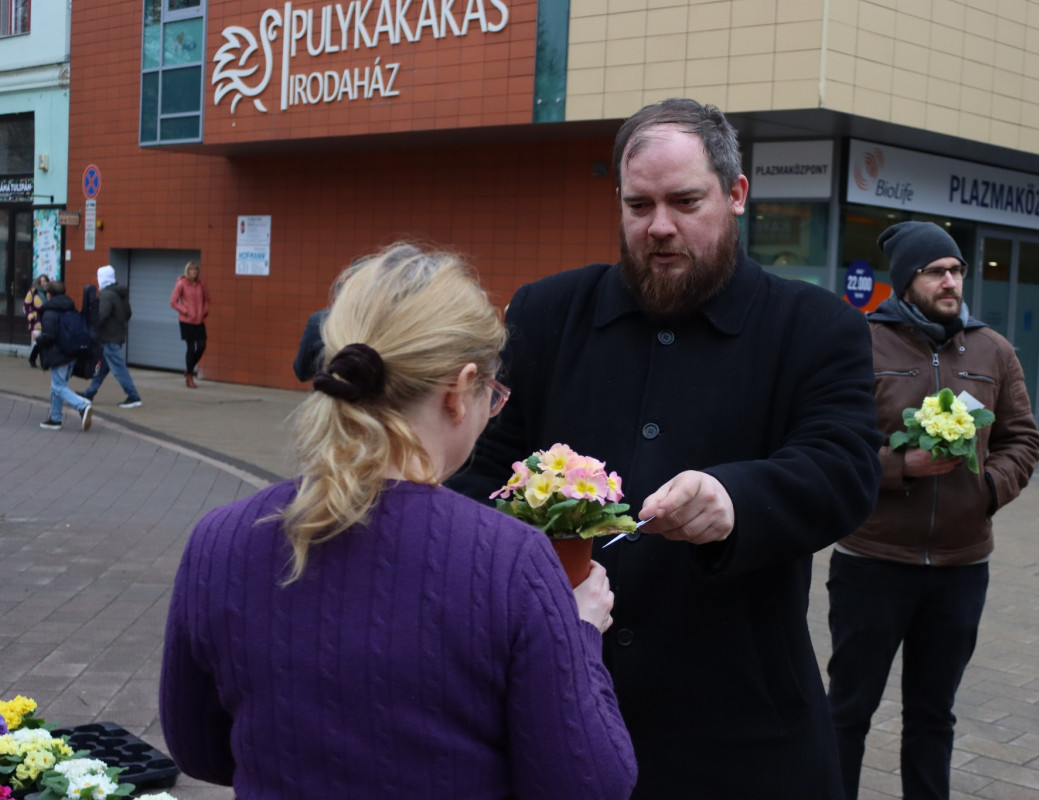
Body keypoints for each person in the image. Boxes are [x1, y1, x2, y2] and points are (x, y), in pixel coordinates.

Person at [447, 98, 883, 799]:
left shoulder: (814, 326)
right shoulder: (547, 313)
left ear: (736, 194)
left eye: (685, 202)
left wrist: (734, 499)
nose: (659, 227)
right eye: (638, 204)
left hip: (743, 734)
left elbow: (844, 468)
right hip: (557, 706)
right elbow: (474, 472)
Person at [159, 243, 636, 800]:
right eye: (493, 394)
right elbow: (588, 784)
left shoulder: (218, 542)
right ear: (459, 392)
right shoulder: (510, 562)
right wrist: (577, 633)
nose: (492, 409)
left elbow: (200, 751)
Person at [826, 221, 1039, 800]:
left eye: (957, 271)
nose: (951, 282)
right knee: (847, 711)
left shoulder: (993, 348)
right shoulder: (862, 341)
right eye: (936, 271)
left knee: (932, 715)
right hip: (873, 560)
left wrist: (987, 491)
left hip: (961, 566)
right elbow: (832, 443)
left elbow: (1022, 438)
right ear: (906, 280)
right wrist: (900, 467)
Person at [36, 280, 94, 432]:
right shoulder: (71, 307)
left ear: (49, 294)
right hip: (72, 353)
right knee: (57, 387)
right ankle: (55, 419)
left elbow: (49, 336)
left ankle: (82, 406)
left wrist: (38, 338)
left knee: (58, 386)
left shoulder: (50, 311)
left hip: (59, 354)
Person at [81, 266, 143, 408]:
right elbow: (128, 315)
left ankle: (133, 396)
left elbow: (101, 315)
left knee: (119, 368)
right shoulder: (120, 294)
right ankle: (90, 392)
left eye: (98, 277)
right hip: (116, 335)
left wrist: (91, 326)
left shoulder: (106, 295)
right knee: (103, 367)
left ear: (102, 278)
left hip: (108, 337)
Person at [170, 260, 210, 388]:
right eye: (191, 270)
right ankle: (190, 376)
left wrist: (204, 311)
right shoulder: (181, 283)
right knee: (191, 347)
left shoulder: (201, 285)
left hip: (199, 321)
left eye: (196, 270)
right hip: (186, 321)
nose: (194, 272)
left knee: (202, 345)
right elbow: (173, 301)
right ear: (187, 271)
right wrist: (185, 310)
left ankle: (188, 370)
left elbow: (207, 300)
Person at [23, 274, 49, 368]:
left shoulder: (49, 292)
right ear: (38, 282)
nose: (44, 283)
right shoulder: (33, 292)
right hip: (36, 319)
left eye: (46, 281)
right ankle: (41, 362)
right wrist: (30, 316)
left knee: (43, 341)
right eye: (42, 281)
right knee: (38, 341)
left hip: (47, 318)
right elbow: (26, 306)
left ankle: (33, 359)